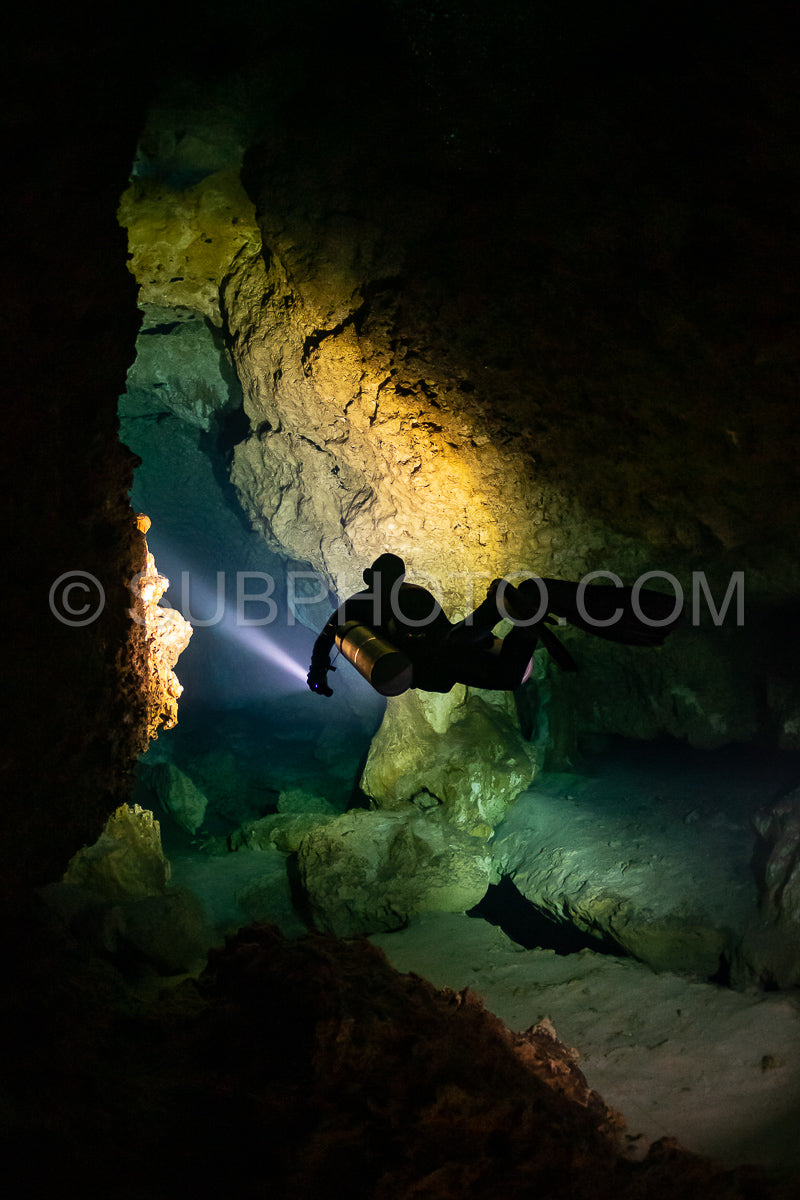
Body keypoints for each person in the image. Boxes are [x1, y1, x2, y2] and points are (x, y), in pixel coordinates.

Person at [306, 553, 559, 697]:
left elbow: (327, 636)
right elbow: (445, 630)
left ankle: (501, 612)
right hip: (447, 658)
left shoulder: (357, 604)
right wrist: (487, 641)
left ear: (371, 578)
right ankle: (522, 628)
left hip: (434, 667)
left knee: (501, 673)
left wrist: (317, 672)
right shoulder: (413, 593)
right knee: (509, 677)